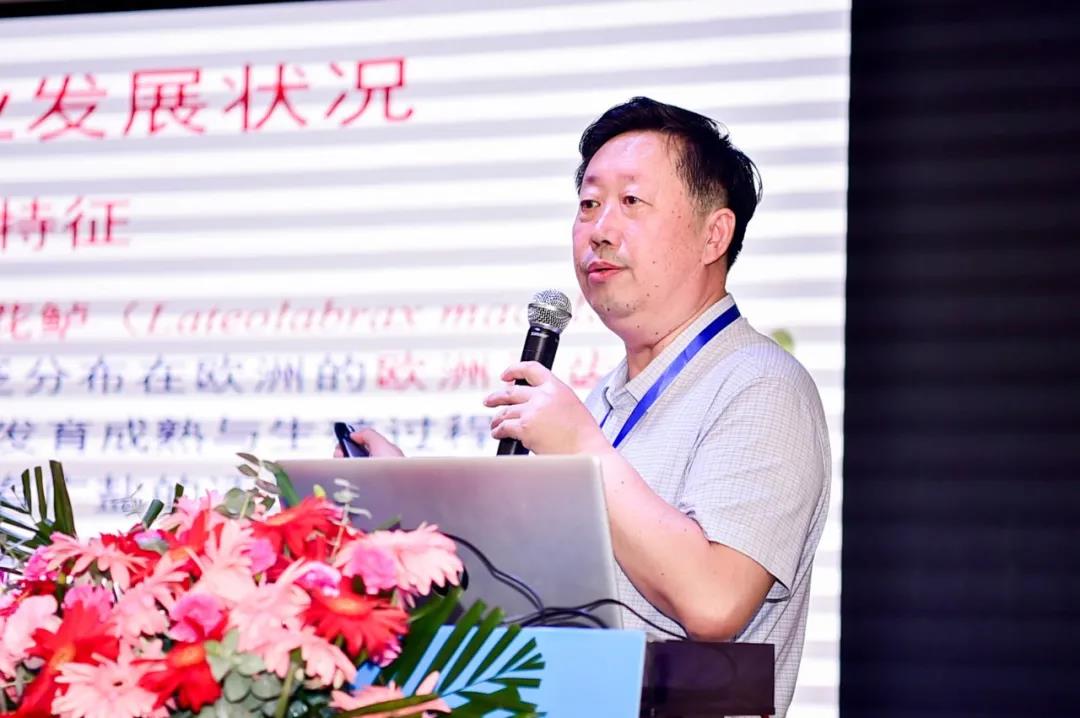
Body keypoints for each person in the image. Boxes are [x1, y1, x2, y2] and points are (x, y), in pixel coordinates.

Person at [342, 97, 830, 716]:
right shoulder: (603, 399)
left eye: (631, 201)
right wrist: (406, 507)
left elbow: (714, 602)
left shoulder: (761, 384)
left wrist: (580, 447)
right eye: (589, 204)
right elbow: (529, 595)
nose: (599, 228)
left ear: (714, 234)